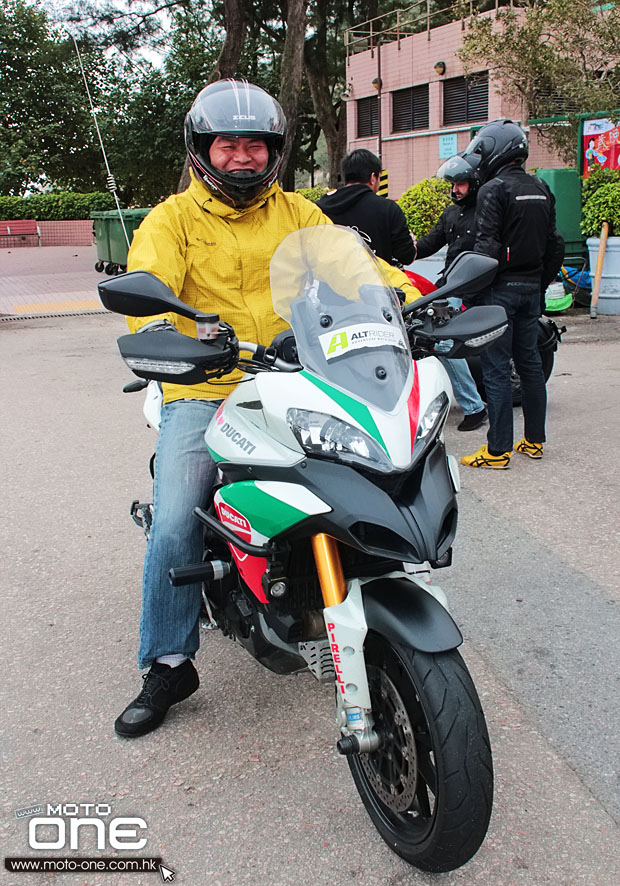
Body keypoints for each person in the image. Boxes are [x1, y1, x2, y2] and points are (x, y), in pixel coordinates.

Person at [114, 80, 418, 738]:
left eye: (256, 144)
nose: (244, 157)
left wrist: (413, 298)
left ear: (275, 151)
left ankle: (340, 597)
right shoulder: (172, 220)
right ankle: (167, 662)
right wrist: (168, 336)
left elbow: (354, 269)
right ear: (204, 151)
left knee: (364, 473)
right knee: (174, 521)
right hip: (207, 386)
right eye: (230, 144)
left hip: (298, 373)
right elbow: (153, 284)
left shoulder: (300, 213)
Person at [458, 119, 565, 469]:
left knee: (496, 370)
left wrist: (472, 295)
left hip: (499, 293)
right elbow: (555, 243)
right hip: (531, 289)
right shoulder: (540, 187)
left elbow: (486, 249)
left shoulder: (494, 189)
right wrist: (539, 281)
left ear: (494, 151)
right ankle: (534, 441)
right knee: (531, 365)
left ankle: (497, 450)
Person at [414, 154, 488, 431]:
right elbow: (431, 242)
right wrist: (403, 250)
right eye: (453, 183)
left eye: (461, 183)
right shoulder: (451, 213)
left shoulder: (484, 210)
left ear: (474, 183)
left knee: (443, 345)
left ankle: (474, 407)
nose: (455, 189)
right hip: (449, 285)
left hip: (470, 289)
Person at [317, 149, 416, 265]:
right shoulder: (388, 209)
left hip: (330, 281)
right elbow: (406, 256)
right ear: (373, 177)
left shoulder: (322, 206)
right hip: (375, 281)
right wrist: (412, 244)